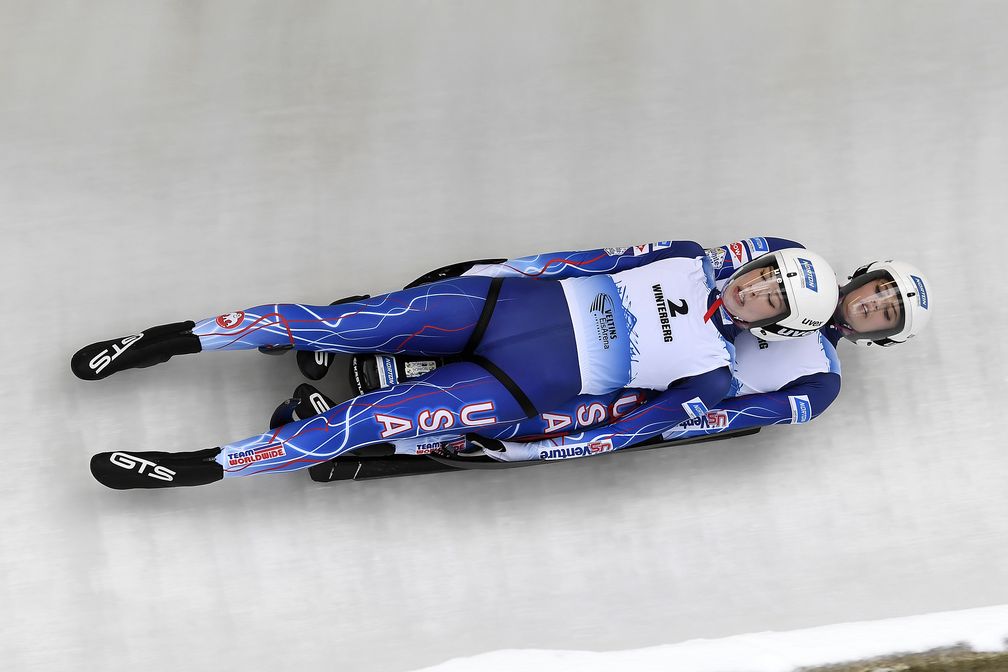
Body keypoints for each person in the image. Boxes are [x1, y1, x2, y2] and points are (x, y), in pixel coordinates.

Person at [72, 240, 839, 489]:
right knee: (334, 322)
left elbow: (628, 430)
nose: (754, 289)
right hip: (496, 309)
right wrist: (493, 268)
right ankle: (168, 339)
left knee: (359, 425)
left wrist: (537, 441)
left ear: (774, 327)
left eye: (769, 300)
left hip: (512, 387)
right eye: (762, 275)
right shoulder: (683, 258)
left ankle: (200, 467)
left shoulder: (713, 374)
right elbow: (588, 258)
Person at [358, 238, 929, 461]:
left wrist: (675, 419)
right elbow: (703, 267)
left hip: (660, 388)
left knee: (557, 420)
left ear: (881, 337)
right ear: (865, 275)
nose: (873, 304)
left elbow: (733, 415)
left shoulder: (821, 381)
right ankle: (384, 325)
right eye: (880, 290)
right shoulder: (786, 262)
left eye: (887, 313)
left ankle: (417, 434)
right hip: (640, 329)